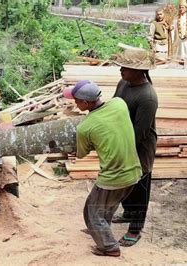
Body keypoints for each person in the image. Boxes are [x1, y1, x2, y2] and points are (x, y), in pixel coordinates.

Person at [63, 80, 142, 257]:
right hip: (134, 172)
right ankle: (98, 231)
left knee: (94, 213)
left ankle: (109, 247)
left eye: (76, 100)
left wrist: (73, 145)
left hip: (114, 178)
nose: (74, 103)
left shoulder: (85, 127)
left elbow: (81, 154)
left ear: (85, 103)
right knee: (99, 205)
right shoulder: (119, 104)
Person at [111, 43, 158, 247]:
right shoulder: (123, 84)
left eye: (124, 67)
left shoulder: (147, 96)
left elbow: (140, 132)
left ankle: (135, 228)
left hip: (139, 147)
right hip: (122, 141)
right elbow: (113, 107)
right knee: (123, 182)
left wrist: (123, 148)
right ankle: (128, 213)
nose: (120, 69)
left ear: (138, 70)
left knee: (139, 187)